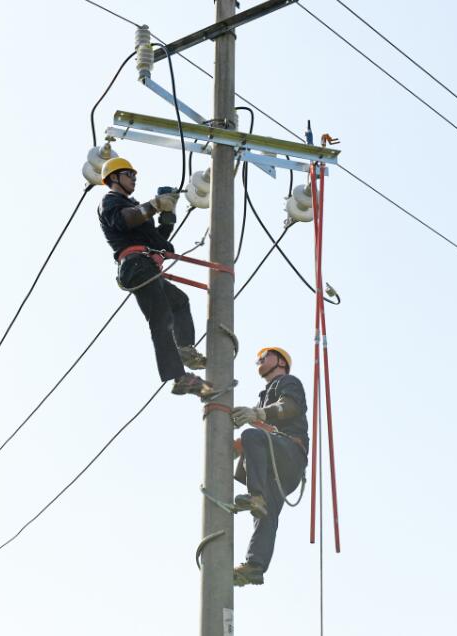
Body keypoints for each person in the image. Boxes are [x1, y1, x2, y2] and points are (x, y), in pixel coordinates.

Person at [96, 157, 212, 397]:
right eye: (129, 175)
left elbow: (158, 242)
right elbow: (124, 220)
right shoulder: (110, 202)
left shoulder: (135, 207)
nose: (134, 179)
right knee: (161, 318)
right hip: (136, 266)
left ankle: (185, 350)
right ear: (114, 178)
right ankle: (178, 377)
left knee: (179, 301)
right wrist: (155, 204)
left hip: (147, 264)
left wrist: (167, 216)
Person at [231, 346, 308, 586]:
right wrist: (227, 448)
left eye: (264, 357)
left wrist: (258, 414)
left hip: (290, 455)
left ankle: (256, 497)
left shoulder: (288, 382)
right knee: (266, 515)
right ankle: (255, 567)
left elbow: (290, 407)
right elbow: (263, 430)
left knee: (252, 436)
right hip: (276, 468)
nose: (259, 361)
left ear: (281, 362)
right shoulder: (264, 395)